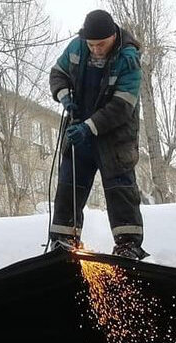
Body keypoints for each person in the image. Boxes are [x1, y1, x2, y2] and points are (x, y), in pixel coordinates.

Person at [48, 9, 147, 259]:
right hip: (79, 133)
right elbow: (58, 74)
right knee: (69, 185)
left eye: (101, 44)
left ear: (113, 36)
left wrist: (89, 127)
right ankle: (63, 240)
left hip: (115, 137)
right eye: (91, 45)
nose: (95, 49)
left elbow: (122, 106)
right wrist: (64, 96)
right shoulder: (77, 47)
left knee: (120, 189)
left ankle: (128, 245)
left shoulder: (129, 60)